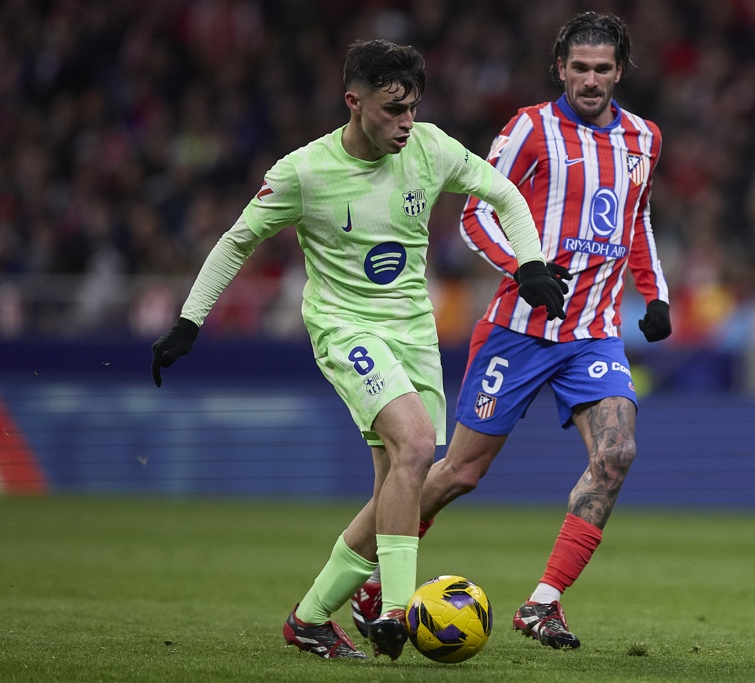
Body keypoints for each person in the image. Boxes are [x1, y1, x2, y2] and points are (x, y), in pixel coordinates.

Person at [149, 39, 566, 662]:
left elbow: (505, 193)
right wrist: (190, 321)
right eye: (393, 109)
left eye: (413, 108)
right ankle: (394, 608)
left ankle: (310, 617)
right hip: (345, 328)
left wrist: (530, 264)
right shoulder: (304, 172)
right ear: (354, 102)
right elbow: (237, 241)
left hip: (414, 332)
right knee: (417, 446)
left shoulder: (430, 148)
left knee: (396, 483)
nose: (406, 122)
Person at [351, 11, 671, 650]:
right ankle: (368, 578)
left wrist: (655, 293)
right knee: (458, 473)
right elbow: (475, 215)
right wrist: (524, 271)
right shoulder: (529, 128)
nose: (590, 79)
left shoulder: (645, 138)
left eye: (602, 68)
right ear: (560, 68)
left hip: (593, 332)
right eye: (579, 68)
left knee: (616, 453)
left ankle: (543, 603)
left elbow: (636, 219)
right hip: (517, 331)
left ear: (620, 71)